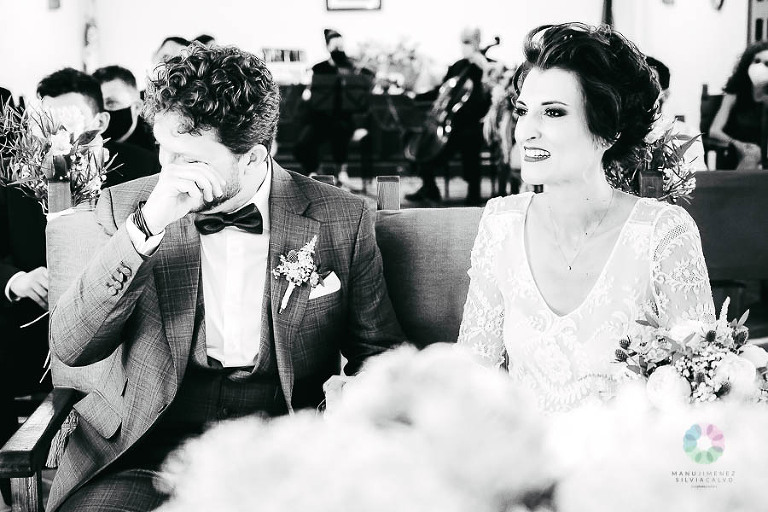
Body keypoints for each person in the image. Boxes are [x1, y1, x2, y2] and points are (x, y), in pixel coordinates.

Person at [46, 44, 403, 512]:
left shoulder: (342, 217)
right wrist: (146, 229)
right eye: (163, 150)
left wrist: (354, 395)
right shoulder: (127, 206)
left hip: (284, 455)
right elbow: (72, 346)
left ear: (253, 158)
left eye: (190, 160)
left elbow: (379, 353)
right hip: (146, 451)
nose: (168, 172)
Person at [457, 23, 715, 412]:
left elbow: (702, 392)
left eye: (553, 112)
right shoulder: (500, 224)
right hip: (523, 446)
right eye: (523, 111)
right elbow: (473, 375)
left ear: (608, 130)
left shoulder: (664, 235)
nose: (525, 131)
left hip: (628, 448)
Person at [405, 27, 492, 205]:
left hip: (470, 123)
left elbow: (485, 100)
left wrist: (484, 70)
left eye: (469, 42)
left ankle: (473, 192)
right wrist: (417, 96)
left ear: (477, 42)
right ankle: (430, 188)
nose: (465, 46)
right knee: (423, 141)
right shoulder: (457, 66)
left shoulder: (486, 67)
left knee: (470, 138)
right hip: (448, 123)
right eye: (463, 42)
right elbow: (442, 91)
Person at [37, 68, 160, 189]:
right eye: (50, 119)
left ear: (100, 122)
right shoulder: (32, 173)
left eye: (71, 118)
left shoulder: (145, 167)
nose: (59, 129)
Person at [292, 29, 371, 188]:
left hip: (345, 119)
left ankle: (342, 173)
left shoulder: (353, 68)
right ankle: (314, 172)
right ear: (327, 47)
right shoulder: (319, 68)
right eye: (335, 47)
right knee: (301, 146)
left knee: (340, 129)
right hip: (320, 119)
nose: (339, 50)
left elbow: (363, 95)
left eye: (341, 47)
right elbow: (311, 93)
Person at [708, 41, 768, 169]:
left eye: (767, 64)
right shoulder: (735, 94)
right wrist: (737, 144)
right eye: (757, 61)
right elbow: (714, 131)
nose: (761, 67)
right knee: (752, 156)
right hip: (739, 151)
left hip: (764, 153)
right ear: (748, 63)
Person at [645, 56, 707, 171]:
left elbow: (698, 175)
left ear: (665, 94)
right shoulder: (616, 135)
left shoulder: (687, 134)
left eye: (650, 82)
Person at [93, 65, 158, 153]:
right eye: (97, 104)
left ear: (137, 107)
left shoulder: (157, 148)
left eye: (111, 103)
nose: (102, 112)